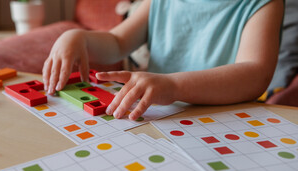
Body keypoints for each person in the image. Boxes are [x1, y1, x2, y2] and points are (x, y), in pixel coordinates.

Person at [43, 0, 284, 121]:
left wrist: (174, 86)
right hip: (159, 118)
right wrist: (79, 38)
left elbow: (255, 74)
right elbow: (117, 43)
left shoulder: (264, 4)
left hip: (227, 123)